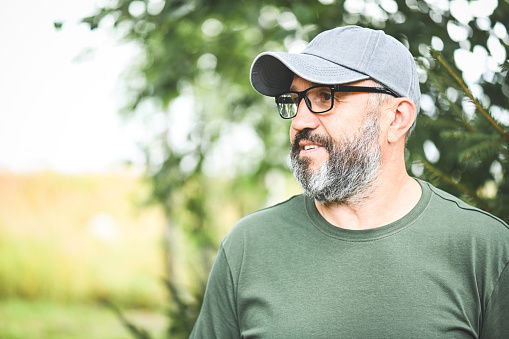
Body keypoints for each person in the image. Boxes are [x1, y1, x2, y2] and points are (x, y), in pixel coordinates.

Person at [189, 25, 509, 338]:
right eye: (295, 99)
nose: (299, 120)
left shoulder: (485, 250)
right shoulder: (249, 246)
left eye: (324, 96)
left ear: (396, 119)